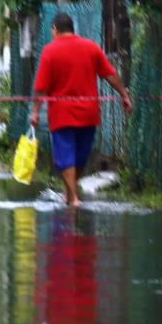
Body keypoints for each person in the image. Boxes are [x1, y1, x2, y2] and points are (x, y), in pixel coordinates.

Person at [29, 13, 132, 206]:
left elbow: (41, 87)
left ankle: (73, 197)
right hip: (88, 114)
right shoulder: (91, 47)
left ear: (54, 30)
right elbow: (110, 74)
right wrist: (124, 95)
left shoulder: (50, 51)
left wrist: (35, 111)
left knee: (65, 156)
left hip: (61, 116)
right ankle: (70, 195)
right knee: (80, 157)